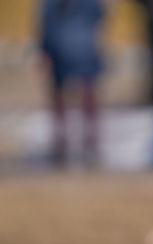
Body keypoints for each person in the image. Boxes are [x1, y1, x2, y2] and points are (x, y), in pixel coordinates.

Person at [39, 0, 105, 165]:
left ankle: (81, 139)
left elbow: (46, 23)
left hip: (74, 46)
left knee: (81, 95)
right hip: (76, 46)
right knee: (70, 95)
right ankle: (72, 140)